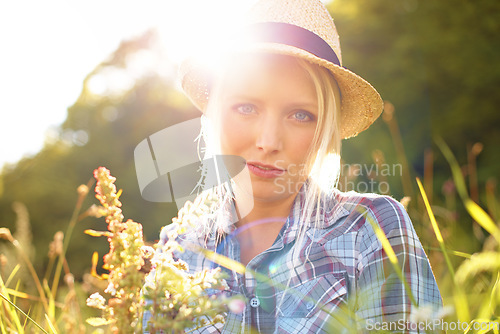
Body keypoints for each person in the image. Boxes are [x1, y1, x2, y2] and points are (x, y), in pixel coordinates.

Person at [144, 0, 442, 332]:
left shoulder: (369, 229)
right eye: (246, 107)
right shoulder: (178, 250)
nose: (269, 141)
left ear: (324, 130)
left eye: (300, 115)